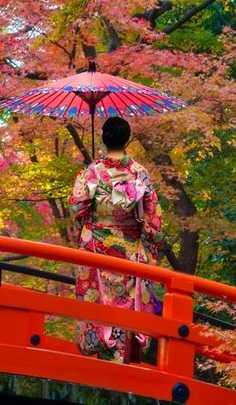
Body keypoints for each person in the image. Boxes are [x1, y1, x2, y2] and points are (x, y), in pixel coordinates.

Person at [68, 116, 163, 362]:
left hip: (96, 249)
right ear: (127, 138)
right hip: (130, 251)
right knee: (128, 308)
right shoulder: (139, 173)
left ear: (102, 138)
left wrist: (88, 223)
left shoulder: (91, 172)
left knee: (99, 307)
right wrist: (152, 253)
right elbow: (153, 221)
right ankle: (124, 360)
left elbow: (76, 208)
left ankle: (104, 358)